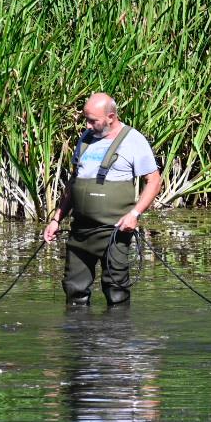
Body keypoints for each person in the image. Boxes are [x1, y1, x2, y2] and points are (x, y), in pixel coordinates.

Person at [42, 92, 162, 307]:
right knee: (73, 290)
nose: (87, 126)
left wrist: (134, 214)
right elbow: (73, 183)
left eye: (93, 120)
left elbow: (153, 181)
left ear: (111, 117)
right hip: (80, 231)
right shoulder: (85, 139)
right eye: (86, 119)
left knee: (116, 291)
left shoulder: (133, 140)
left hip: (115, 231)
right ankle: (78, 338)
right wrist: (56, 219)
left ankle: (116, 336)